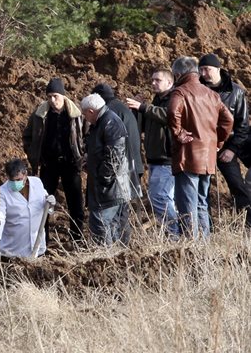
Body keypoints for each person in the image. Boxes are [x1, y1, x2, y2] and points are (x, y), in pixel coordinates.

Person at [167, 56, 233, 239]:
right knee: (202, 203)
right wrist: (217, 142)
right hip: (208, 157)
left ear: (179, 74)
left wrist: (178, 133)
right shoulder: (212, 94)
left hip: (188, 157)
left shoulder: (180, 92)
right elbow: (229, 119)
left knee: (187, 204)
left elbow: (172, 111)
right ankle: (203, 245)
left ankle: (191, 246)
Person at [22, 78, 85, 242]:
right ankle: (43, 240)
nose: (52, 100)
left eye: (55, 96)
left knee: (75, 202)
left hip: (71, 164)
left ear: (63, 96)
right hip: (48, 164)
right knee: (43, 202)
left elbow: (85, 136)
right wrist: (33, 155)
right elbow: (28, 136)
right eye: (49, 96)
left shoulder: (76, 114)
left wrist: (81, 157)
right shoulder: (40, 114)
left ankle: (77, 238)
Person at [126, 67, 179, 238]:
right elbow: (141, 127)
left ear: (170, 83)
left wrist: (143, 107)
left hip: (167, 160)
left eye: (158, 80)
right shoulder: (156, 101)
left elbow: (168, 116)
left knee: (160, 197)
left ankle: (174, 234)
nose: (153, 83)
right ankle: (175, 233)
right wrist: (137, 109)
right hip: (155, 160)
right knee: (163, 198)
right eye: (152, 80)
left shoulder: (174, 99)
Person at [198, 53, 251, 226]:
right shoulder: (198, 89)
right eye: (201, 70)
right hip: (205, 145)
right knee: (201, 188)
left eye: (208, 69)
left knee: (237, 185)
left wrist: (232, 149)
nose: (204, 73)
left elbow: (243, 125)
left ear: (218, 69)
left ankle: (247, 224)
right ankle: (206, 228)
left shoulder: (235, 92)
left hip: (229, 145)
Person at [81, 93, 131, 246]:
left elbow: (114, 156)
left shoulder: (110, 122)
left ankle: (104, 257)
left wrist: (103, 178)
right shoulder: (102, 122)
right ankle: (114, 256)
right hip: (109, 186)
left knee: (100, 223)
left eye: (84, 114)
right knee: (111, 225)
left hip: (110, 188)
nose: (85, 118)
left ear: (91, 111)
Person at [0, 159, 55, 258]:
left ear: (25, 175)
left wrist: (50, 203)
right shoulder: (3, 192)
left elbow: (45, 205)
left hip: (36, 248)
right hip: (11, 252)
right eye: (12, 180)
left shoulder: (37, 183)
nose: (15, 183)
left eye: (18, 180)